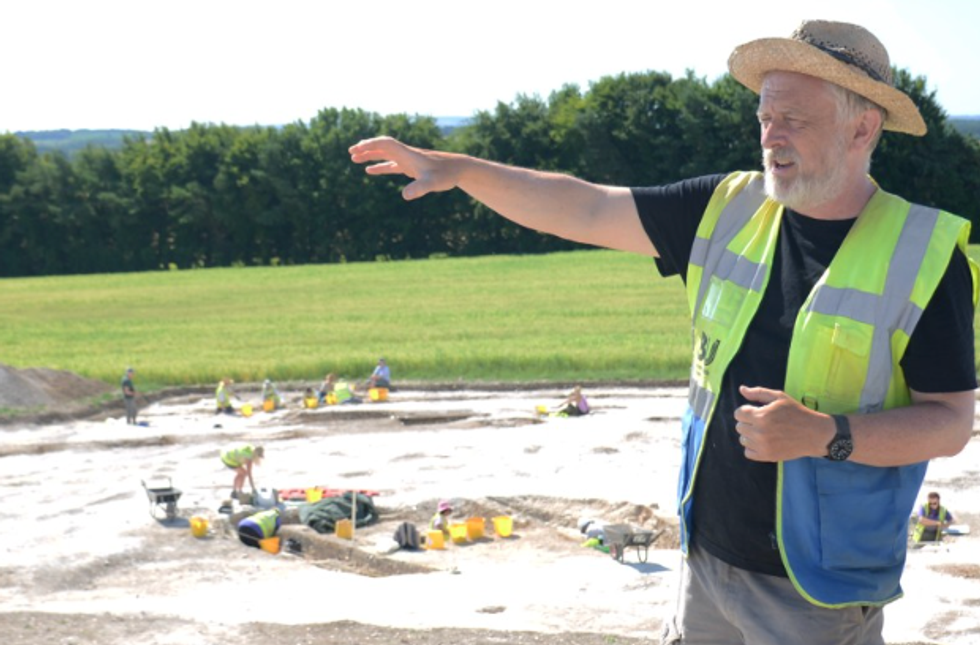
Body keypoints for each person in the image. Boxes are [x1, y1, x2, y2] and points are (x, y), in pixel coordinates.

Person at [350, 20, 977, 644]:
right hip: (703, 565)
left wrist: (824, 435)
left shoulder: (921, 256)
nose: (770, 136)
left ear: (862, 127)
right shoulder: (727, 209)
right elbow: (588, 207)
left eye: (795, 121)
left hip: (815, 593)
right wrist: (460, 169)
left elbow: (949, 422)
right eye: (764, 116)